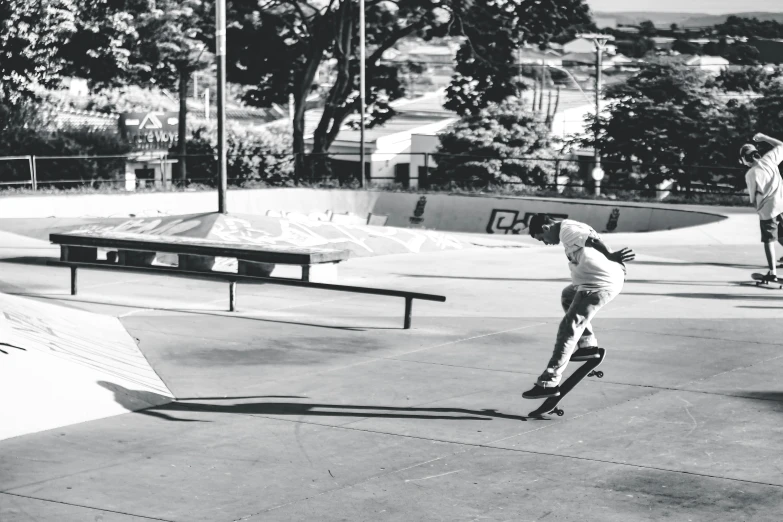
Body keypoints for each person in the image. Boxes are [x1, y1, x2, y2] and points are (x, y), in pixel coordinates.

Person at [522, 214, 635, 399]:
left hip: (598, 285)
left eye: (541, 239)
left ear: (545, 228)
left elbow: (592, 240)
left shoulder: (567, 231)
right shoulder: (569, 227)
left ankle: (549, 382)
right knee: (568, 296)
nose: (545, 242)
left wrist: (610, 255)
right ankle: (588, 346)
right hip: (595, 282)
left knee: (569, 328)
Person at [740, 133, 783, 281]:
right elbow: (781, 146)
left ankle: (772, 273)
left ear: (745, 159)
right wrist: (765, 137)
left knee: (768, 240)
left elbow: (753, 198)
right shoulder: (769, 159)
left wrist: (758, 210)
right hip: (782, 205)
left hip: (768, 210)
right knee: (782, 235)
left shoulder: (751, 173)